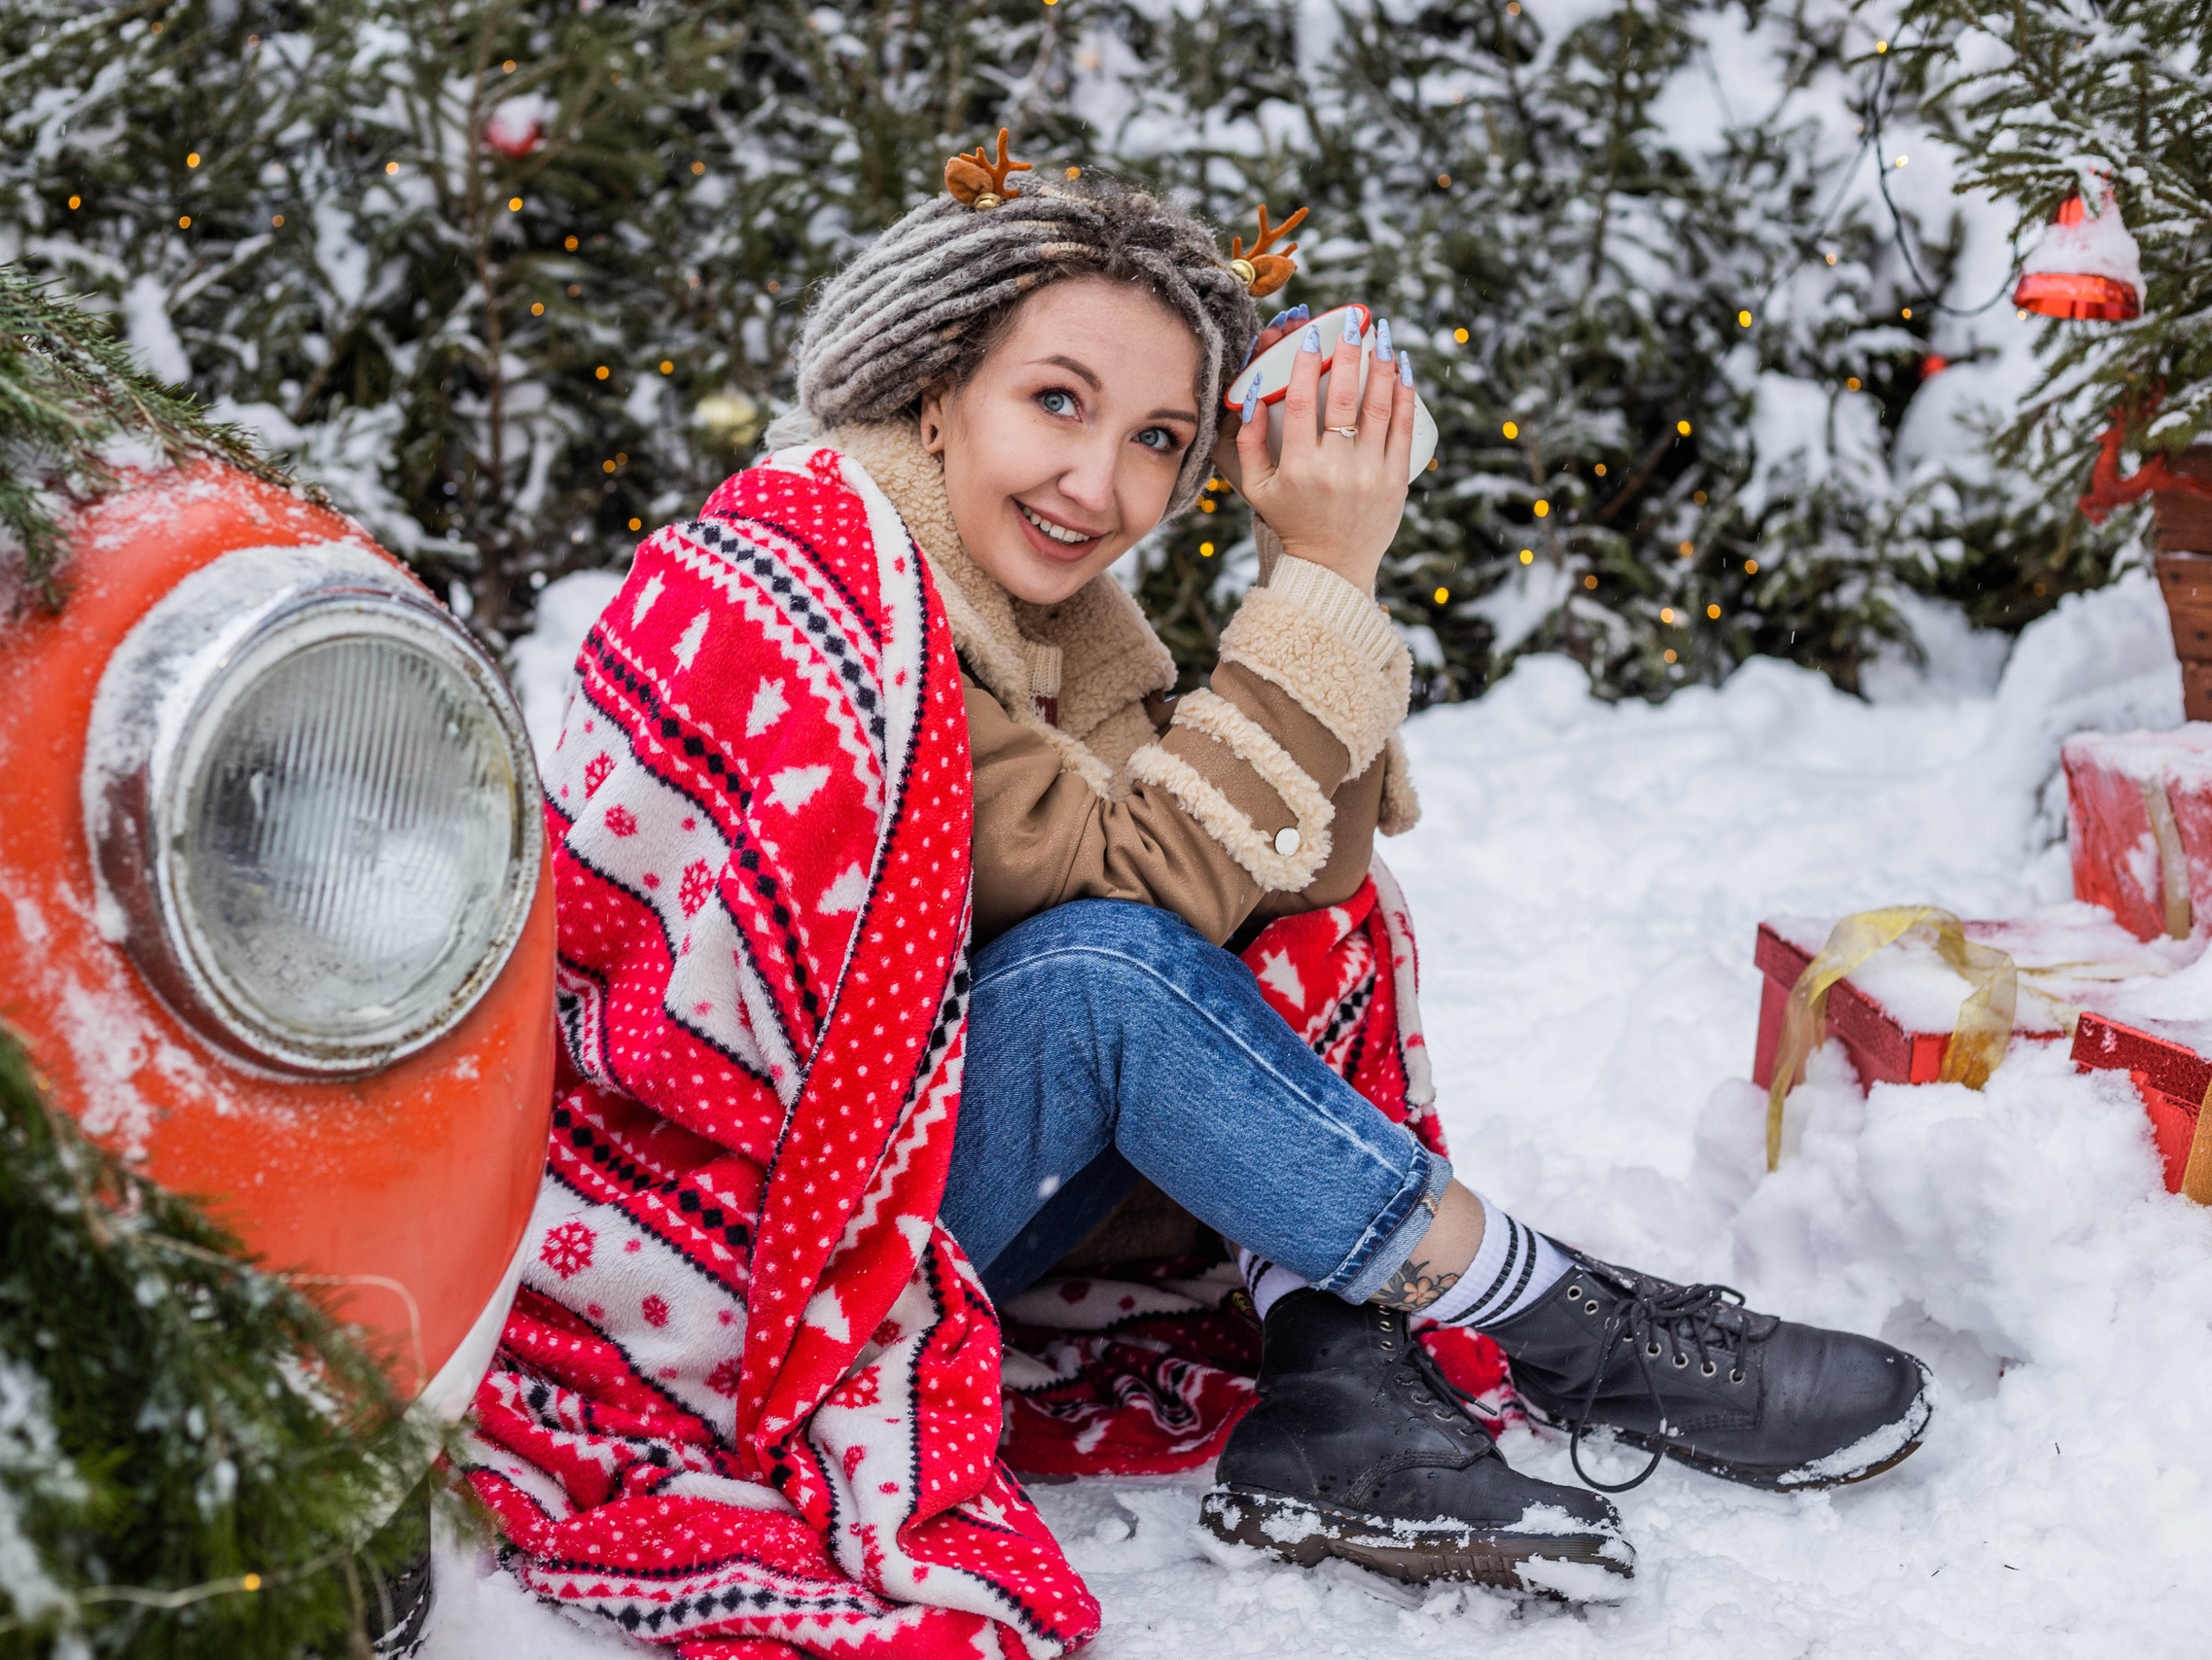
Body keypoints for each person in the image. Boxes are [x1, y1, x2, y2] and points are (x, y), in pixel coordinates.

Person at [765, 148, 1934, 1594]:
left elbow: (1287, 889)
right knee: (1108, 974)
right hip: (784, 1253)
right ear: (935, 389)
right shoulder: (826, 593)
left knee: (1327, 931)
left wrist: (1319, 581)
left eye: (1155, 438)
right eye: (1056, 401)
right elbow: (1121, 922)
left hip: (936, 1183)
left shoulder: (1046, 624)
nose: (1098, 480)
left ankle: (1338, 1400)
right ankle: (1572, 1326)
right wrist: (1308, 612)